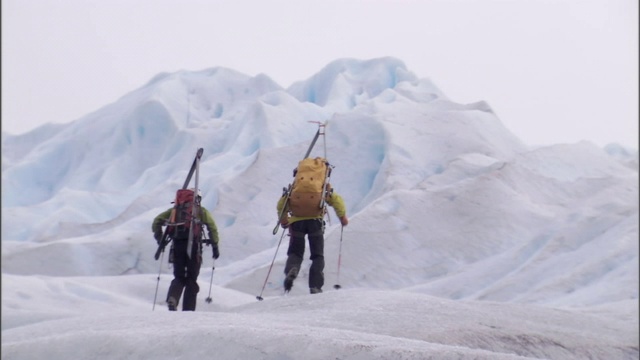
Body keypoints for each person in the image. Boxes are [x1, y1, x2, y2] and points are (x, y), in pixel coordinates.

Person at [152, 189, 219, 311]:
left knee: (179, 276)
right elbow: (212, 227)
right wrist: (215, 245)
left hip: (177, 246)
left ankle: (173, 298)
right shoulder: (200, 211)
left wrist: (160, 239)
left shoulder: (174, 211)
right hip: (194, 247)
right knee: (191, 278)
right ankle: (188, 310)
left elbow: (157, 221)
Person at [277, 184, 348, 294]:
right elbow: (336, 200)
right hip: (316, 222)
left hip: (296, 223)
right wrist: (342, 217)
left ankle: (292, 269)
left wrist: (284, 221)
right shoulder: (322, 184)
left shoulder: (296, 185)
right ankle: (315, 286)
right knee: (317, 255)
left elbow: (282, 204)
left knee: (295, 253)